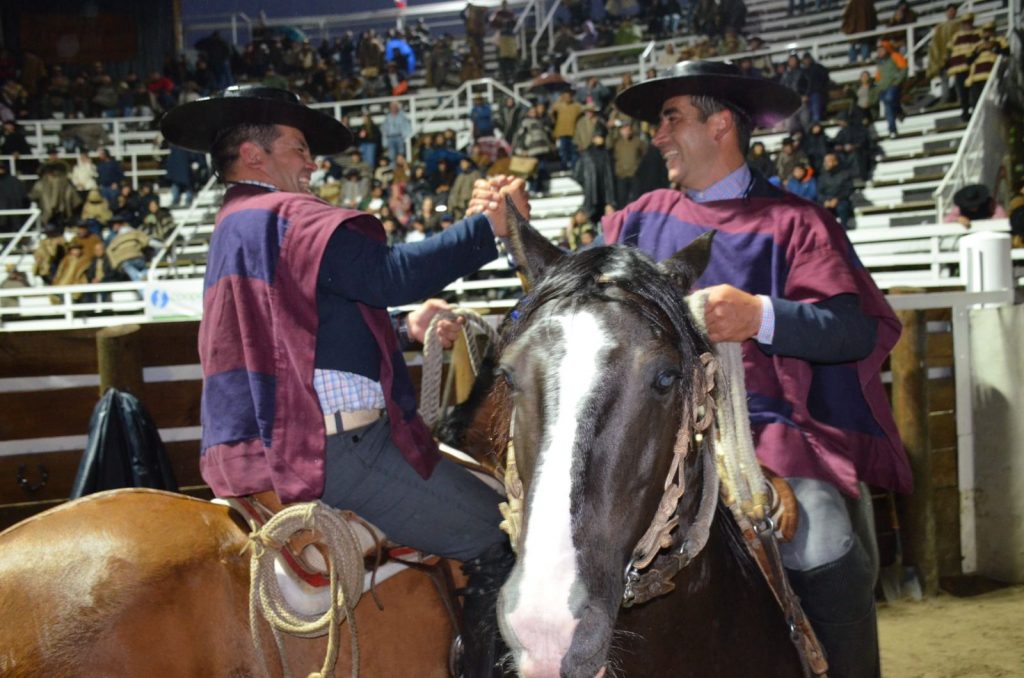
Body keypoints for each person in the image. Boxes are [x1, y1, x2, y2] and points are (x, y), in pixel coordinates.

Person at [160, 85, 524, 678]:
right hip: (337, 449)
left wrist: (406, 332)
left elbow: (296, 332)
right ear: (254, 155)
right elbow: (389, 275)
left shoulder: (236, 225)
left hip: (261, 449)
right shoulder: (283, 215)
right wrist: (489, 227)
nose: (311, 162)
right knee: (502, 534)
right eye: (299, 147)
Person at [573, 61, 908, 678]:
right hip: (648, 437)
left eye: (672, 118)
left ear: (721, 123)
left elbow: (856, 330)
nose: (658, 134)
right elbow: (575, 316)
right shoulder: (633, 222)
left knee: (825, 548)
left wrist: (761, 315)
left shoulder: (798, 224)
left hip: (767, 435)